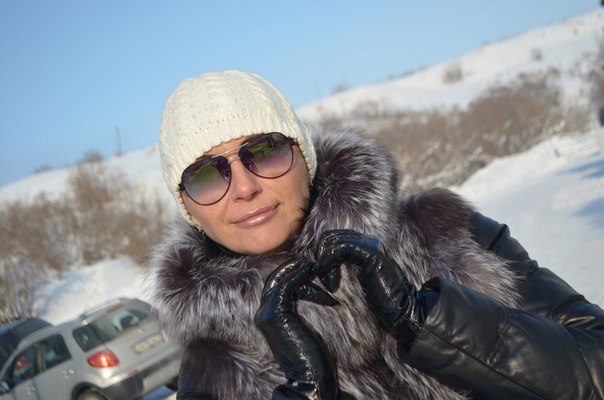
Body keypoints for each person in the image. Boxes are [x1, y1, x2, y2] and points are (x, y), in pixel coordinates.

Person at [149, 70, 604, 400]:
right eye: (205, 176)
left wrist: (431, 322)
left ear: (305, 158)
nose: (245, 187)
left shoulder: (444, 234)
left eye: (264, 152)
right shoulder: (209, 373)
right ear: (190, 210)